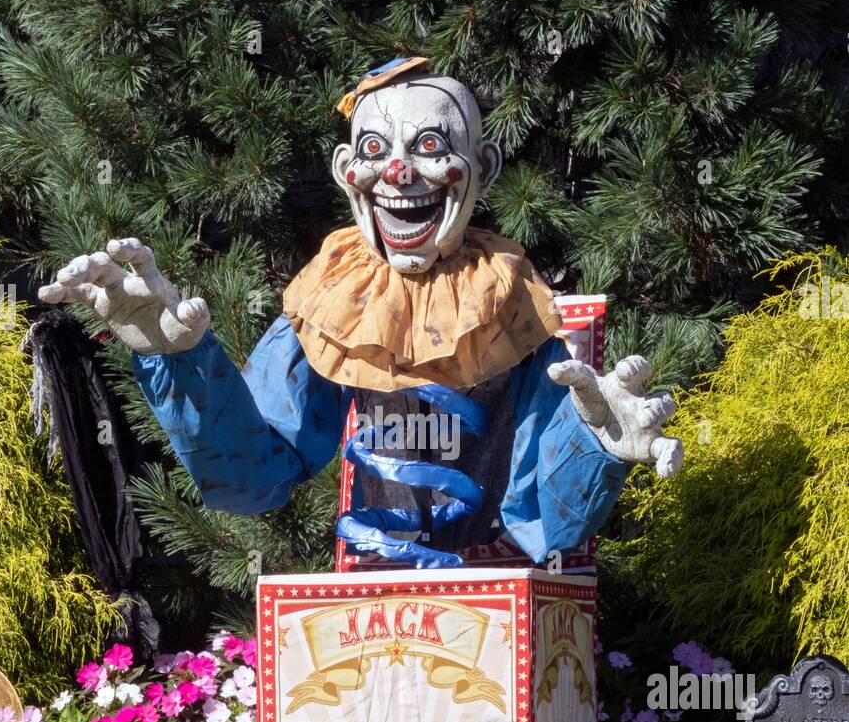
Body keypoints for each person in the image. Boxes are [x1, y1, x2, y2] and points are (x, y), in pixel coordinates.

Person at [39, 57, 683, 568]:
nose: (399, 171)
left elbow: (548, 518)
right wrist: (176, 358)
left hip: (494, 618)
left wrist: (597, 445)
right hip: (362, 636)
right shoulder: (333, 301)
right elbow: (252, 476)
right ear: (349, 172)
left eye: (430, 145)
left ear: (481, 168)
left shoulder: (510, 306)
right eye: (376, 150)